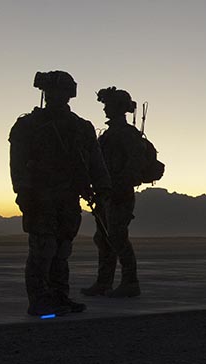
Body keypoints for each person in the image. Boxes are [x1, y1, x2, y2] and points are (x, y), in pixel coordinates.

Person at [9, 71, 111, 316]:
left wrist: (103, 188)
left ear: (70, 94)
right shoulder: (29, 125)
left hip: (68, 197)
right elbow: (17, 162)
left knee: (63, 250)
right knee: (42, 250)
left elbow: (95, 161)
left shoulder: (81, 127)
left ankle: (59, 296)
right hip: (40, 196)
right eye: (53, 91)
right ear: (45, 92)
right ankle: (39, 300)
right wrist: (23, 192)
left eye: (63, 91)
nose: (57, 96)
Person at [81, 87, 145, 298]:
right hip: (106, 194)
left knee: (117, 237)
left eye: (109, 105)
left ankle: (130, 282)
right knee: (103, 238)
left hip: (119, 193)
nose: (105, 109)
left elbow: (133, 164)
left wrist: (119, 186)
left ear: (118, 108)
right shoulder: (110, 134)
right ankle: (103, 282)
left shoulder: (126, 134)